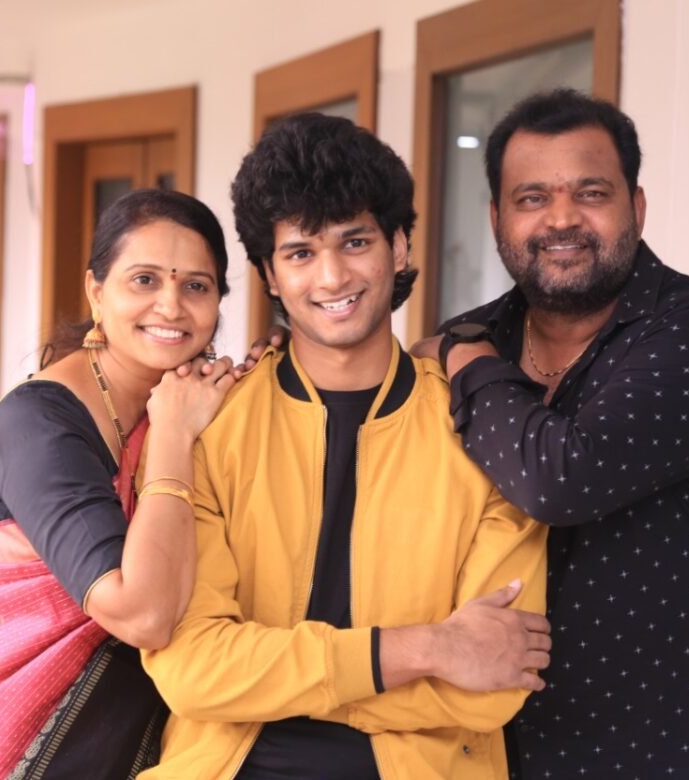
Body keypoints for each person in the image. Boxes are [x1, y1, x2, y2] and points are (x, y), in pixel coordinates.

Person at [140, 113, 550, 780]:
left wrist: (274, 684)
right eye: (300, 253)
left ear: (399, 246)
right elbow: (192, 671)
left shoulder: (481, 432)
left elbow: (495, 681)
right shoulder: (212, 428)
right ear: (270, 274)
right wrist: (427, 649)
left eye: (354, 242)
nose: (331, 277)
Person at [424, 89, 689, 779]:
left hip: (669, 756)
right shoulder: (478, 337)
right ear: (496, 218)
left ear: (635, 207)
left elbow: (562, 478)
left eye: (590, 193)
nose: (561, 219)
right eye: (531, 198)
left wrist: (460, 359)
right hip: (492, 755)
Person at [0, 189, 238, 780]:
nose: (171, 305)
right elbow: (142, 615)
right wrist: (173, 435)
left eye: (196, 286)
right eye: (144, 280)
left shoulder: (192, 397)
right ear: (97, 291)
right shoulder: (38, 423)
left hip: (109, 738)